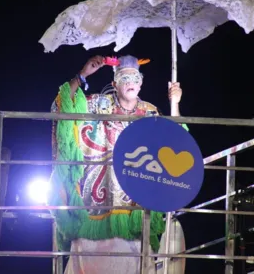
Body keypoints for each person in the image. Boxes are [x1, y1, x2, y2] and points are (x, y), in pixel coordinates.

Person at [48, 55, 186, 274]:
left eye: (134, 77)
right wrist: (82, 75)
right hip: (96, 203)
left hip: (135, 206)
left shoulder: (150, 112)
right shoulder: (98, 103)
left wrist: (175, 104)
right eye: (124, 77)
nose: (130, 81)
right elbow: (63, 105)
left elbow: (176, 140)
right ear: (114, 84)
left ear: (141, 82)